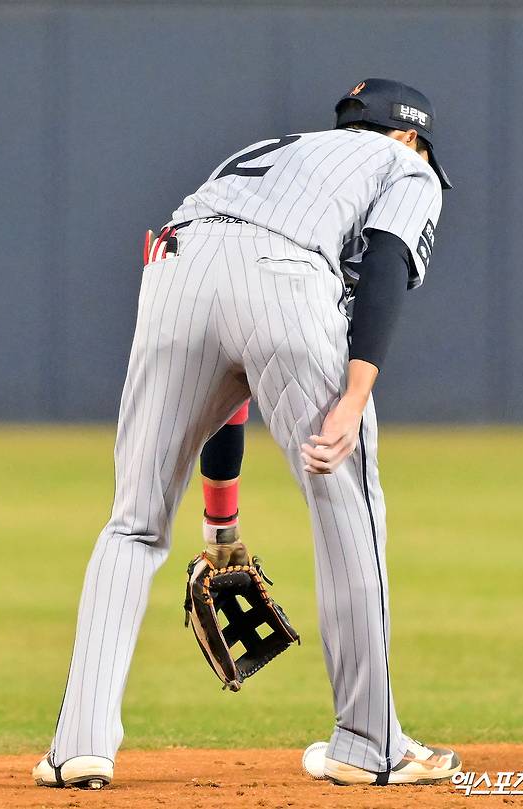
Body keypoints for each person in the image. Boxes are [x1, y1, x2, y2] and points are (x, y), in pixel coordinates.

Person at [32, 77, 461, 790]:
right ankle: (368, 742)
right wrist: (356, 394)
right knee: (346, 502)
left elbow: (227, 374)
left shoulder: (267, 154)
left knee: (134, 522)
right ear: (410, 136)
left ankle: (79, 745)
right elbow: (384, 262)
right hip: (287, 274)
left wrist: (221, 528)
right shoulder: (404, 164)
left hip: (174, 263)